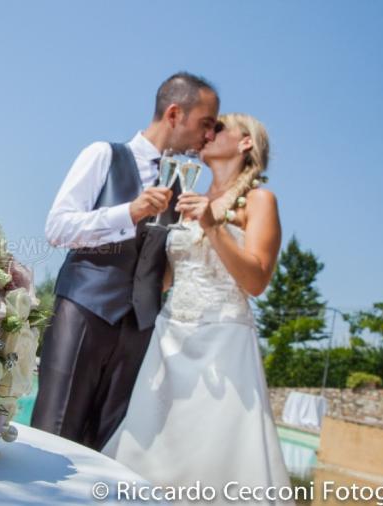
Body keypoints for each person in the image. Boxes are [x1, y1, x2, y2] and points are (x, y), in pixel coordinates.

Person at [101, 113, 294, 504]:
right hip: (169, 338)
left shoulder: (259, 200)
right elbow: (169, 277)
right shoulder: (190, 197)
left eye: (219, 128)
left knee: (214, 456)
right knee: (150, 450)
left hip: (223, 345)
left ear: (245, 143)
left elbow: (256, 281)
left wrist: (211, 225)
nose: (208, 133)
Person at [31, 72, 219, 451]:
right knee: (54, 430)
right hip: (84, 311)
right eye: (205, 124)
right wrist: (127, 214)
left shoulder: (183, 186)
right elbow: (57, 228)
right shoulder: (103, 154)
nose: (209, 136)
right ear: (173, 114)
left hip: (140, 329)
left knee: (104, 445)